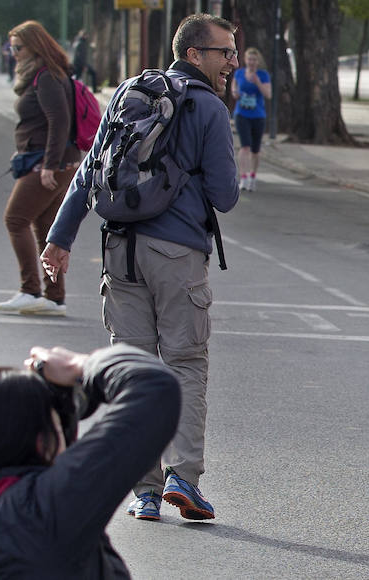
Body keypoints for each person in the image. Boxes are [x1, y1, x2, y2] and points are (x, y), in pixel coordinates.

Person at [41, 13, 240, 521]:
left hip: (119, 250)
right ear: (194, 54)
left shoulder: (132, 92)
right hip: (176, 253)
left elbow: (90, 172)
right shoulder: (208, 107)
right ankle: (184, 478)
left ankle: (144, 491)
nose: (233, 62)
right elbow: (224, 195)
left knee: (130, 368)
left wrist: (60, 239)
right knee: (185, 364)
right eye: (225, 53)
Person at [0, 343, 181, 579]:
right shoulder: (46, 510)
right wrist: (79, 365)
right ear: (40, 440)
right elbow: (154, 387)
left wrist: (58, 402)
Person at [0, 20, 81, 316]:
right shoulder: (42, 74)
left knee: (15, 219)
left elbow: (59, 122)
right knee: (45, 226)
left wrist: (50, 165)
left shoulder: (46, 76)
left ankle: (30, 290)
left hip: (50, 163)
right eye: (12, 47)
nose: (13, 52)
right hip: (47, 159)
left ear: (35, 46)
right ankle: (55, 297)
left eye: (18, 47)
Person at [231, 46, 271, 191]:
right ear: (245, 60)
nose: (252, 62)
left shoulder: (263, 75)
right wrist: (235, 93)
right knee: (245, 146)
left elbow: (268, 94)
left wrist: (258, 82)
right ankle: (244, 177)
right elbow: (234, 89)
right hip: (242, 114)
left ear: (258, 61)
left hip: (258, 115)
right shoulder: (239, 73)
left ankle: (253, 176)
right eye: (249, 59)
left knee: (255, 149)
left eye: (254, 60)